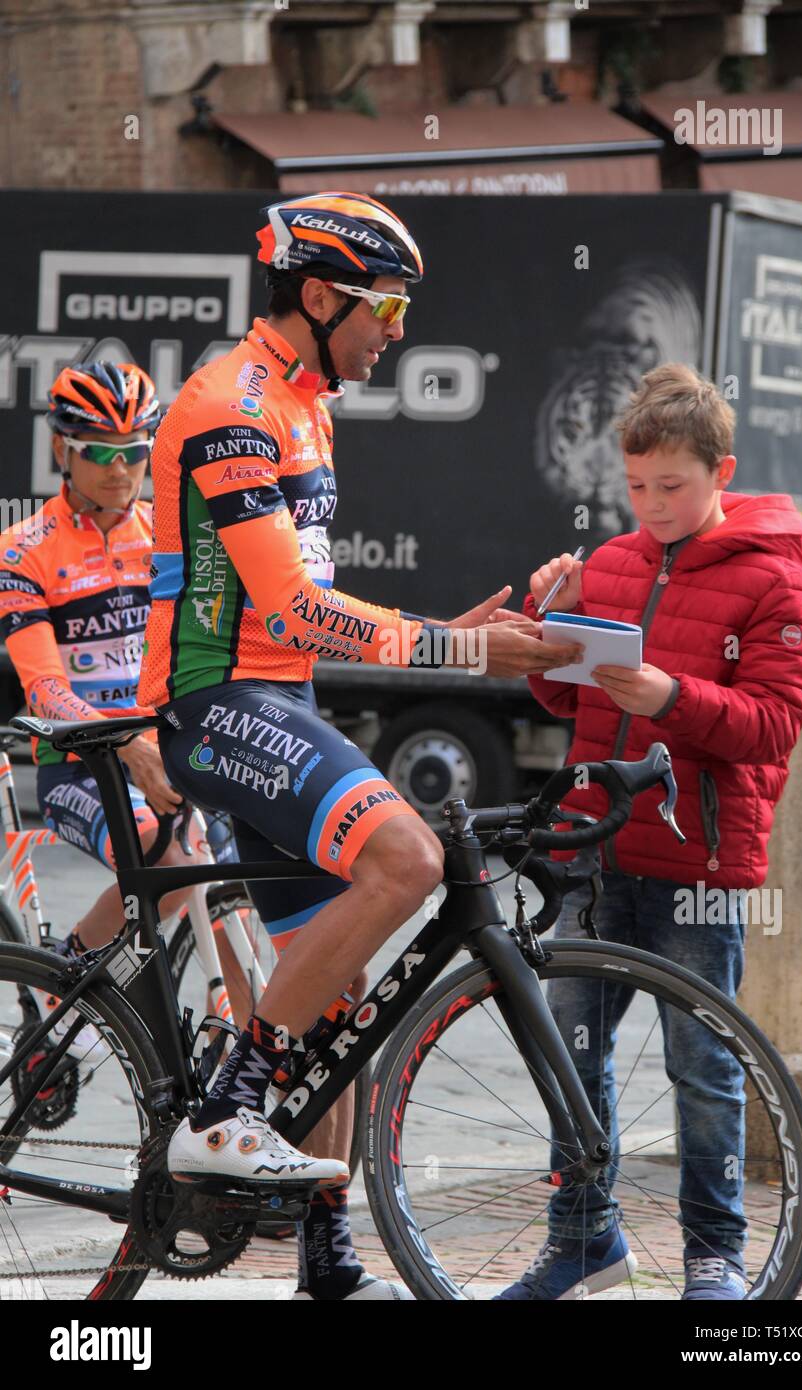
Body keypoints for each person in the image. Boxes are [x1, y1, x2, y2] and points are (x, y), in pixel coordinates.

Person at [136, 191, 574, 1301]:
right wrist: (459, 658)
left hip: (274, 702)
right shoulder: (231, 404)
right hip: (214, 704)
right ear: (319, 295)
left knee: (336, 1004)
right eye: (383, 304)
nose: (397, 328)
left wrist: (451, 635)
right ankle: (229, 1111)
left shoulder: (308, 403)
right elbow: (287, 612)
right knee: (409, 859)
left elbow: (312, 613)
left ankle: (325, 1257)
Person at [496, 362, 802, 1302]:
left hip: (699, 862)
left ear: (723, 471)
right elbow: (565, 693)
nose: (651, 506)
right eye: (636, 488)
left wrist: (674, 697)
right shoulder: (613, 561)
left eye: (671, 487)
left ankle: (715, 1259)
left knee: (703, 1067)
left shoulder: (774, 580)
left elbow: (772, 724)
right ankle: (582, 1242)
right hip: (596, 847)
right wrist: (548, 627)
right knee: (570, 1056)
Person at [0, 363, 211, 1003]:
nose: (119, 470)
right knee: (170, 870)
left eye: (135, 452)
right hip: (80, 762)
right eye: (98, 452)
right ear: (61, 447)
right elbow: (46, 691)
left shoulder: (172, 538)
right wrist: (128, 746)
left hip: (168, 752)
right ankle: (68, 983)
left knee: (232, 889)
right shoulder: (21, 549)